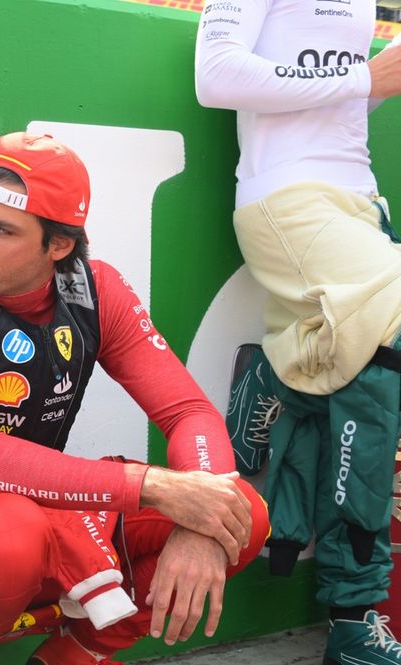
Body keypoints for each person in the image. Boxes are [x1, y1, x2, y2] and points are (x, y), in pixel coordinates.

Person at [0, 132, 270, 665]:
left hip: (39, 511)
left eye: (0, 229)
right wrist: (154, 487)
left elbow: (189, 412)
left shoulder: (96, 288)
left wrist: (203, 519)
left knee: (242, 514)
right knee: (9, 532)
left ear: (59, 245)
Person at [196, 5, 401, 663]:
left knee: (369, 363)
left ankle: (285, 379)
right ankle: (353, 614)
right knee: (388, 344)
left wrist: (369, 83)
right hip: (284, 197)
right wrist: (364, 78)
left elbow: (335, 101)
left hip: (359, 199)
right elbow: (216, 75)